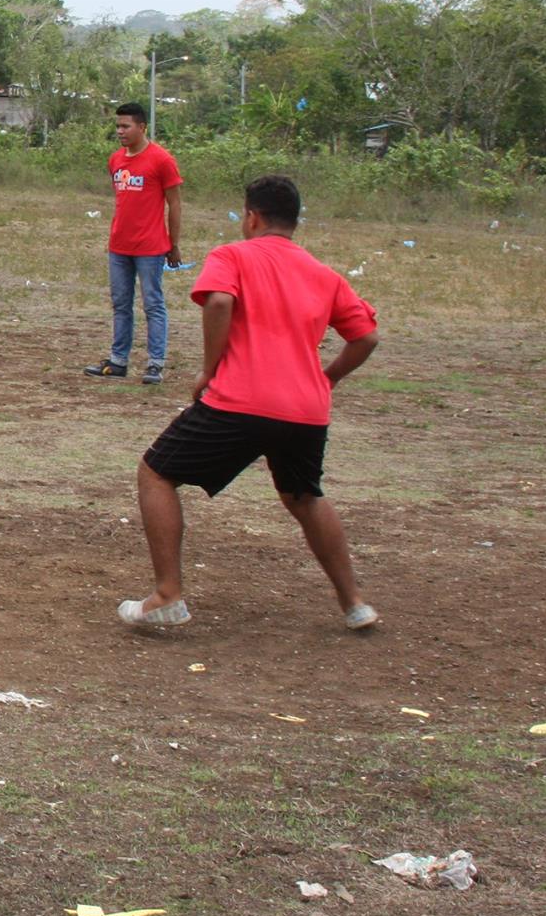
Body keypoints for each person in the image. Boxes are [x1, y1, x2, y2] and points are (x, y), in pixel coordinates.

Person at [119, 175, 382, 632]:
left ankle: (167, 595)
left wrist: (209, 370)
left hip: (240, 400)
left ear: (252, 217)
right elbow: (367, 337)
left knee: (156, 473)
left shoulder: (232, 255)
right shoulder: (324, 274)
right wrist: (327, 378)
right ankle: (355, 604)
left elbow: (219, 302)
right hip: (305, 410)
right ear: (294, 221)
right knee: (305, 497)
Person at [85, 102, 183, 385]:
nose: (120, 131)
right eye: (117, 126)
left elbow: (175, 204)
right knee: (121, 304)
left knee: (153, 304)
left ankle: (155, 364)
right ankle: (118, 361)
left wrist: (173, 244)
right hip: (119, 245)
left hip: (150, 247)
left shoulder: (161, 160)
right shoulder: (115, 160)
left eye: (126, 126)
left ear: (141, 127)